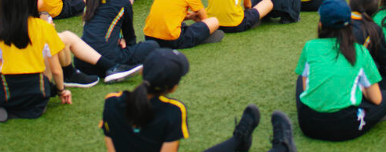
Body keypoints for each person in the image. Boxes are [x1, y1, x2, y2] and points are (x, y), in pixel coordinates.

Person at [102, 48, 298, 152]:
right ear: (174, 87)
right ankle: (283, 148)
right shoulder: (173, 111)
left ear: (143, 71)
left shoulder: (111, 101)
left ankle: (239, 141)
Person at [295, 0, 386, 141]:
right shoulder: (360, 51)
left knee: (301, 78)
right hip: (344, 127)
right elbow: (376, 98)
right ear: (349, 24)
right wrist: (360, 88)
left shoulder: (310, 46)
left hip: (308, 124)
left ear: (321, 24)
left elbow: (306, 88)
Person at [75, 0, 158, 80]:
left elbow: (96, 31)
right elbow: (130, 37)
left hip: (83, 62)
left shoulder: (91, 0)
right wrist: (130, 51)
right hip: (107, 59)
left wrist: (118, 39)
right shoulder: (122, 2)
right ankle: (120, 69)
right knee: (152, 45)